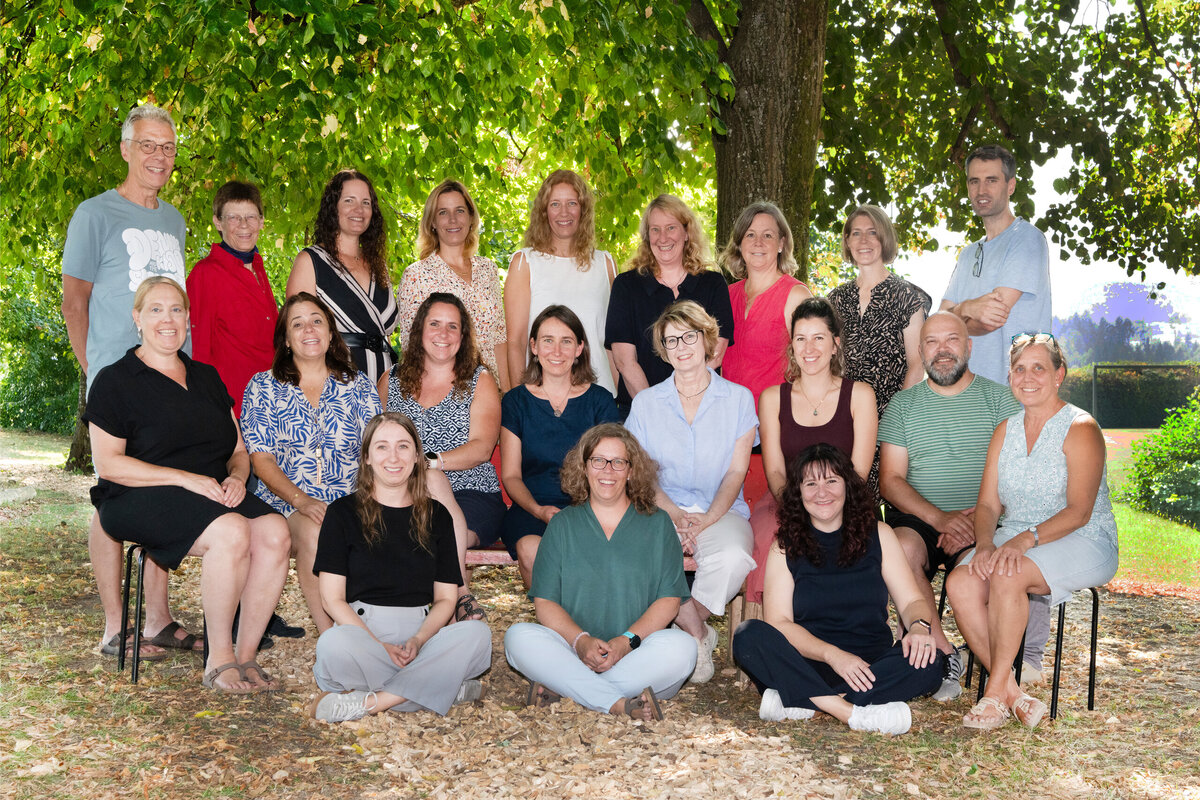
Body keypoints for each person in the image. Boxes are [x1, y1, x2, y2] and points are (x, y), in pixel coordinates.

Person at [84, 277, 291, 692]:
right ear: (137, 318)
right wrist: (185, 478)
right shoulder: (115, 380)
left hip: (209, 490)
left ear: (188, 319)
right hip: (136, 495)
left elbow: (237, 449)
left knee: (275, 531)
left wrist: (237, 477)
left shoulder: (207, 377)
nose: (168, 319)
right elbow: (108, 464)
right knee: (232, 531)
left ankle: (246, 655)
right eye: (156, 310)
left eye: (176, 310)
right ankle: (219, 660)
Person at [61, 103, 195, 661]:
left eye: (168, 147)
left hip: (170, 377)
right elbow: (75, 300)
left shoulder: (175, 220)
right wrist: (95, 372)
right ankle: (116, 627)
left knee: (165, 488)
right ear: (125, 149)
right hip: (117, 380)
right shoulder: (94, 214)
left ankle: (158, 618)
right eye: (148, 144)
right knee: (113, 495)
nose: (159, 156)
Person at [947, 334, 1118, 730]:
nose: (1027, 377)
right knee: (961, 581)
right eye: (1019, 369)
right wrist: (985, 544)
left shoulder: (1081, 428)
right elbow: (988, 505)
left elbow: (1079, 511)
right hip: (1014, 535)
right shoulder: (1005, 430)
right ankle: (1014, 694)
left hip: (1083, 537)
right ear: (1009, 376)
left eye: (1039, 368)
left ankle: (993, 696)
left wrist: (1023, 541)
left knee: (1009, 572)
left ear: (1059, 375)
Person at [732, 444, 943, 734]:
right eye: (811, 484)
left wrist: (918, 627)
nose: (822, 492)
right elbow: (779, 623)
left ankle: (805, 700)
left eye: (831, 480)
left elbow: (911, 602)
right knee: (748, 636)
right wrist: (833, 655)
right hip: (809, 662)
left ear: (847, 486)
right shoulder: (784, 546)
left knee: (932, 661)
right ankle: (848, 711)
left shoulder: (879, 534)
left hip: (870, 667)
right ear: (798, 492)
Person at [504, 424, 697, 720]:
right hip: (572, 652)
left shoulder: (658, 524)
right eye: (598, 461)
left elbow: (669, 601)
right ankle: (617, 703)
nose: (608, 470)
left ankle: (570, 691)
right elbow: (545, 602)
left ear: (631, 471)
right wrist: (581, 642)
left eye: (618, 462)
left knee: (683, 648)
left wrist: (624, 643)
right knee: (518, 637)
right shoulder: (562, 524)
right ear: (584, 468)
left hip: (637, 653)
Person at [308, 413, 492, 722]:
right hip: (362, 634)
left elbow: (446, 599)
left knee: (476, 635)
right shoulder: (342, 513)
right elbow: (332, 600)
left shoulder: (437, 515)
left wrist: (419, 641)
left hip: (421, 635)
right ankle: (439, 687)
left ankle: (373, 702)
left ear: (417, 455)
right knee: (332, 643)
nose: (393, 457)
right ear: (367, 457)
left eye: (403, 446)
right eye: (382, 447)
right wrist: (378, 644)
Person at [877, 312, 1021, 702]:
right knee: (899, 549)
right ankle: (942, 655)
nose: (942, 350)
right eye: (932, 342)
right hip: (920, 518)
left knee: (979, 570)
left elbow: (1016, 474)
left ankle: (999, 669)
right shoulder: (903, 405)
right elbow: (891, 480)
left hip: (983, 518)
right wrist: (940, 518)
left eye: (952, 340)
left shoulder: (1001, 401)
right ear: (920, 351)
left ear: (969, 346)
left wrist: (980, 519)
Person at [625, 301, 757, 684]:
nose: (681, 347)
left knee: (733, 557)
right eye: (671, 341)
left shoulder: (739, 399)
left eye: (689, 336)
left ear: (707, 339)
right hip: (658, 510)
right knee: (644, 553)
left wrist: (706, 520)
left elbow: (737, 471)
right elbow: (642, 474)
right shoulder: (646, 404)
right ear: (663, 351)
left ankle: (678, 627)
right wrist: (675, 515)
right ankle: (698, 637)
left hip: (722, 511)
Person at [240, 293, 382, 633]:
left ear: (331, 333)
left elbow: (377, 450)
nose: (309, 329)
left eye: (317, 321)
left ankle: (381, 629)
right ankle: (332, 638)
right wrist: (301, 501)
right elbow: (261, 460)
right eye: (298, 324)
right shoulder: (262, 387)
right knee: (319, 531)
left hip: (352, 500)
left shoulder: (358, 385)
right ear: (286, 340)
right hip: (288, 504)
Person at [745, 298, 877, 604]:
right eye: (800, 339)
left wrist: (827, 507)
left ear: (835, 344)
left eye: (818, 338)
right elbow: (775, 470)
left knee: (848, 539)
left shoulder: (860, 395)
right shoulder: (772, 398)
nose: (809, 348)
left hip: (845, 502)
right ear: (792, 347)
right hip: (786, 501)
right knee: (773, 538)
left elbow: (859, 471)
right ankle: (776, 624)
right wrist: (800, 508)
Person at [381, 292, 504, 622]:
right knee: (424, 522)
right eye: (435, 324)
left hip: (471, 493)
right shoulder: (392, 380)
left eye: (453, 326)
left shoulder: (479, 380)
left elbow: (482, 448)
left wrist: (429, 463)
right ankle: (458, 603)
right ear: (420, 330)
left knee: (432, 520)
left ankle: (452, 605)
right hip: (406, 494)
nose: (443, 334)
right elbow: (377, 441)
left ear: (463, 336)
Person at [499, 306, 620, 586]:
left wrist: (584, 512)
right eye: (547, 340)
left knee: (586, 551)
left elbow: (611, 470)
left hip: (590, 506)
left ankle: (582, 614)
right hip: (531, 507)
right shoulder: (516, 402)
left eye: (566, 341)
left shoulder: (600, 401)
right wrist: (539, 510)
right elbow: (511, 476)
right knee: (531, 550)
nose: (557, 351)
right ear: (534, 347)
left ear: (579, 348)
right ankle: (552, 615)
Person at [605, 195, 734, 414]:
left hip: (702, 409)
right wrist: (657, 410)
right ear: (647, 236)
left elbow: (715, 354)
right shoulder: (626, 286)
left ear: (686, 233)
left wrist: (686, 406)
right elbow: (624, 361)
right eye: (655, 230)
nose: (663, 238)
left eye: (671, 228)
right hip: (643, 411)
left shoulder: (713, 283)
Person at [940, 145, 1051, 386]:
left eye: (991, 180)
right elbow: (940, 323)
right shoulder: (968, 255)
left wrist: (956, 315)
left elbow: (989, 321)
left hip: (1013, 393)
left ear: (1010, 186)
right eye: (974, 181)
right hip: (967, 393)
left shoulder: (1026, 239)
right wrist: (968, 307)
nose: (981, 190)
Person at [504, 169, 617, 395]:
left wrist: (619, 397)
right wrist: (520, 401)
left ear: (583, 209)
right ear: (544, 211)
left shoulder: (605, 264)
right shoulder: (525, 263)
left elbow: (613, 343)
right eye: (555, 204)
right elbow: (516, 342)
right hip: (541, 396)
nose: (564, 212)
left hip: (599, 396)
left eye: (572, 203)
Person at [286, 168, 398, 385]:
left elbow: (384, 333)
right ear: (333, 208)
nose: (359, 209)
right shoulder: (311, 261)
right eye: (349, 200)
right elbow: (295, 332)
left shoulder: (379, 265)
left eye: (366, 203)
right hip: (335, 382)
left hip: (383, 382)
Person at [396, 179, 508, 388]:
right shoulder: (416, 276)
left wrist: (508, 395)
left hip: (492, 390)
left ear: (471, 218)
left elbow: (500, 340)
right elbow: (412, 350)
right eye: (443, 212)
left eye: (460, 211)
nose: (452, 219)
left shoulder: (488, 270)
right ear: (432, 222)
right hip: (445, 393)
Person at [186, 180, 279, 418]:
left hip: (272, 403)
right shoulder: (205, 273)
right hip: (231, 409)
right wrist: (207, 410)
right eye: (233, 217)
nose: (244, 225)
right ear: (218, 222)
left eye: (250, 217)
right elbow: (199, 350)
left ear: (261, 221)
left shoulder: (257, 267)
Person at [827, 204, 930, 416]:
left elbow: (917, 365)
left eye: (872, 232)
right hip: (843, 414)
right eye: (856, 233)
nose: (864, 240)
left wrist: (895, 419)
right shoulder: (836, 299)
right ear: (847, 241)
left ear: (884, 238)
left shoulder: (907, 297)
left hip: (892, 417)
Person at [718, 202, 812, 409]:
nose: (758, 243)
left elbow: (812, 363)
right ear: (739, 244)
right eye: (750, 235)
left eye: (768, 235)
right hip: (729, 416)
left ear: (781, 244)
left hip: (777, 417)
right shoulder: (726, 295)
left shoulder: (796, 295)